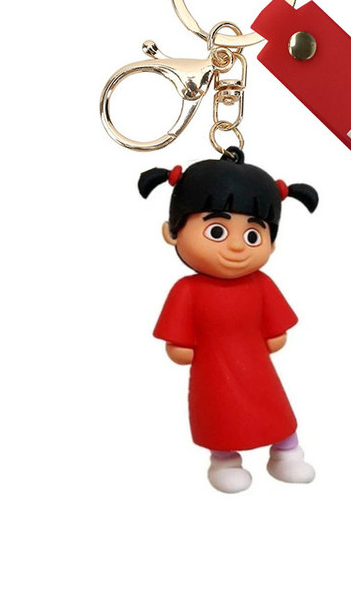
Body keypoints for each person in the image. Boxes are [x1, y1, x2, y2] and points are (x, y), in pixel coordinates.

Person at [138, 148, 318, 493]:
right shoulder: (187, 289)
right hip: (212, 369)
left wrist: (275, 336)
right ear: (172, 232)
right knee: (219, 413)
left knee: (275, 408)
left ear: (271, 245)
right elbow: (177, 344)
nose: (237, 247)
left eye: (253, 236)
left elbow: (276, 331)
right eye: (218, 231)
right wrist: (179, 346)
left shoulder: (261, 284)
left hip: (258, 367)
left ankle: (286, 454)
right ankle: (224, 461)